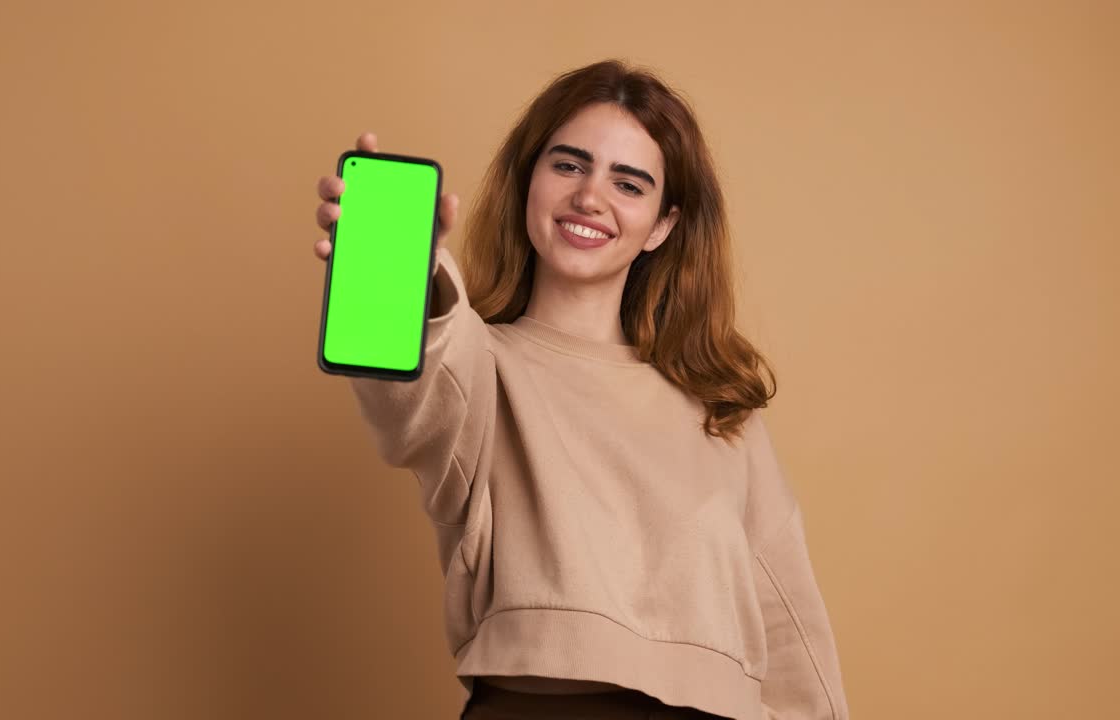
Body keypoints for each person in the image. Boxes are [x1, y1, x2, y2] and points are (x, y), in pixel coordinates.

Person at [312, 59, 850, 720]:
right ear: (527, 183)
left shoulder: (719, 409)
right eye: (568, 165)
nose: (590, 197)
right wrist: (403, 282)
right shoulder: (484, 367)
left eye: (629, 183)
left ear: (661, 225)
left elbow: (791, 628)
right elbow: (418, 397)